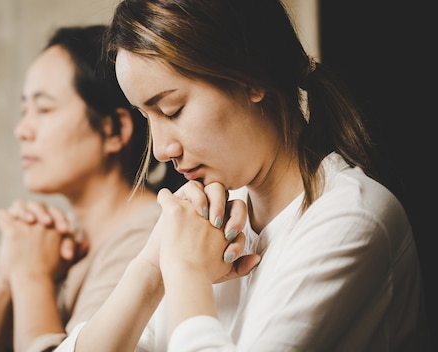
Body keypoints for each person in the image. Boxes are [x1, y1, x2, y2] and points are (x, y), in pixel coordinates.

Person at [54, 0, 429, 351]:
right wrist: (152, 268)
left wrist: (186, 272)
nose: (161, 150)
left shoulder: (351, 218)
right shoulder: (213, 230)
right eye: (145, 117)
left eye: (172, 110)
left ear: (250, 76)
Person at [0, 24, 186, 352]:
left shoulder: (147, 238)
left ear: (115, 130)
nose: (22, 129)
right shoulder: (57, 239)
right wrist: (9, 278)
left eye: (44, 109)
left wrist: (31, 277)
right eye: (24, 111)